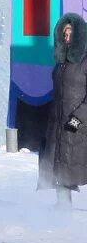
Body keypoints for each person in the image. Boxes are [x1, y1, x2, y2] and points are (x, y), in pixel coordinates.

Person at [41, 13, 87, 207]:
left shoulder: (85, 61)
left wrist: (76, 120)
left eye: (70, 33)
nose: (67, 37)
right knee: (60, 170)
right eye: (64, 33)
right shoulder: (61, 64)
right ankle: (62, 208)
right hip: (59, 125)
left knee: (72, 168)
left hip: (78, 126)